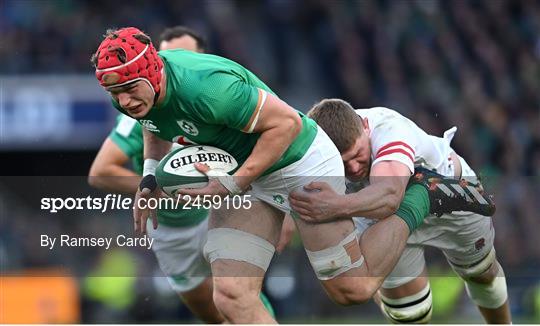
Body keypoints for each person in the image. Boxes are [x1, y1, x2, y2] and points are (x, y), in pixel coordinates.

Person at [91, 27, 439, 323]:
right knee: (230, 295)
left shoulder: (209, 89)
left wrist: (232, 183)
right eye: (116, 94)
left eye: (130, 89)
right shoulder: (132, 93)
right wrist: (150, 175)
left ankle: (419, 195)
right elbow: (154, 123)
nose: (125, 102)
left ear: (152, 72)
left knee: (352, 290)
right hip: (250, 176)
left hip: (300, 161)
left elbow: (287, 124)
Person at [88, 26, 277, 323]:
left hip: (220, 207)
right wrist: (160, 191)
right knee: (211, 311)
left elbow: (274, 136)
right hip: (171, 227)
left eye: (189, 55)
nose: (180, 62)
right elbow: (100, 172)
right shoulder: (138, 107)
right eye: (172, 54)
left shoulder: (214, 94)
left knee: (239, 295)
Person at [290, 98, 511, 323]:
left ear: (365, 127)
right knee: (410, 314)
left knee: (481, 273)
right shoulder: (314, 153)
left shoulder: (389, 129)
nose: (354, 168)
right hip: (380, 214)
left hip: (450, 194)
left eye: (357, 155)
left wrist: (334, 205)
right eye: (344, 163)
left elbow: (390, 195)